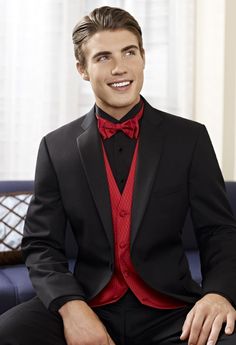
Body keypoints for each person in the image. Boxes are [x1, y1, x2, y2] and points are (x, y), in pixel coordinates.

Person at [0, 5, 236, 345]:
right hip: (89, 301)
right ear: (82, 69)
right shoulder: (57, 147)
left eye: (129, 52)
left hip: (171, 311)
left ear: (143, 57)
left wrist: (218, 293)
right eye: (103, 57)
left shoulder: (190, 139)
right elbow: (41, 244)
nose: (120, 67)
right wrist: (71, 307)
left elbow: (219, 231)